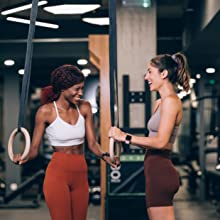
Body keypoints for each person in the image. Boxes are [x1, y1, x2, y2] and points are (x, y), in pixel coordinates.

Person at [14, 64, 117, 220]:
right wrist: (24, 156)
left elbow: (92, 144)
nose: (81, 93)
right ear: (63, 88)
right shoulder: (46, 112)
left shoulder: (85, 108)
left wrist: (105, 155)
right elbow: (34, 148)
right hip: (57, 173)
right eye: (77, 89)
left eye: (82, 88)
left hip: (81, 173)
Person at [109, 52, 190, 220]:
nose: (146, 77)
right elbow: (153, 142)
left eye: (150, 72)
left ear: (164, 74)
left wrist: (125, 136)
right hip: (153, 170)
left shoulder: (171, 101)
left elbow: (161, 143)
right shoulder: (160, 102)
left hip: (161, 171)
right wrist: (122, 140)